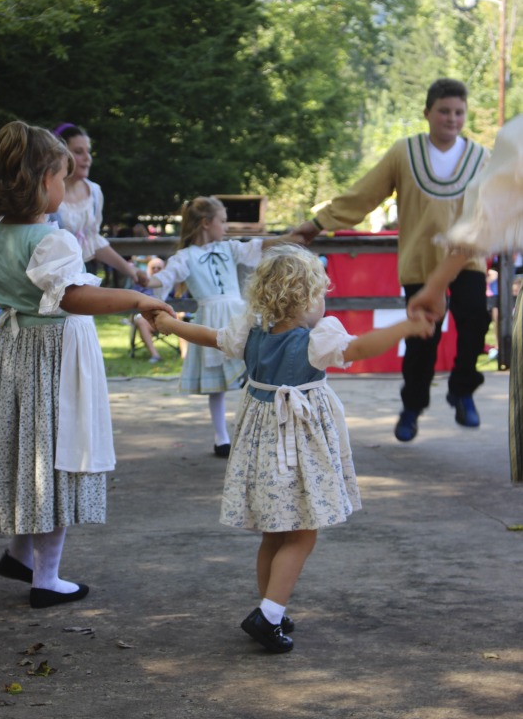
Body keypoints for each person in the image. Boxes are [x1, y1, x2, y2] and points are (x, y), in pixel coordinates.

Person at [152, 245, 434, 652]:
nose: (324, 302)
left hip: (262, 446)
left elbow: (209, 337)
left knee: (274, 534)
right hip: (298, 444)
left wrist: (168, 323)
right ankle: (268, 616)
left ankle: (271, 607)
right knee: (302, 535)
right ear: (303, 299)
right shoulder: (317, 339)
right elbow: (361, 348)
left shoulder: (250, 330)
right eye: (319, 294)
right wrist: (406, 328)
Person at [0, 121, 172, 609]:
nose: (63, 188)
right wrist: (135, 297)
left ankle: (17, 554)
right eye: (58, 177)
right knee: (58, 455)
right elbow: (74, 297)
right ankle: (46, 580)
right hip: (55, 359)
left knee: (31, 453)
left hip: (14, 354)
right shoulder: (51, 240)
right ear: (40, 180)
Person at [294, 78, 491, 443]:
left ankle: (462, 389)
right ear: (427, 113)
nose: (452, 119)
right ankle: (412, 408)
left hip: (467, 261)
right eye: (444, 111)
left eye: (459, 112)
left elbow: (502, 204)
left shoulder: (481, 158)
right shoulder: (405, 152)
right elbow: (364, 193)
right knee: (421, 338)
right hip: (420, 262)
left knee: (476, 318)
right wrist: (318, 223)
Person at [407, 113, 523, 481]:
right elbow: (488, 217)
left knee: (473, 318)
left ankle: (461, 390)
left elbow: (487, 216)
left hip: (454, 267)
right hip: (429, 260)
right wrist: (436, 285)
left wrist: (436, 285)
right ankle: (426, 402)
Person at [146, 196, 302, 458]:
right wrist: (143, 280)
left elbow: (260, 246)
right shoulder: (185, 257)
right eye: (223, 221)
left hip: (240, 315)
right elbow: (163, 279)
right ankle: (222, 438)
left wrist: (292, 236)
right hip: (210, 317)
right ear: (207, 223)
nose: (226, 227)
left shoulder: (229, 248)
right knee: (218, 384)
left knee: (254, 369)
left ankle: (257, 429)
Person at [52, 123, 147, 286]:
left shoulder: (94, 192)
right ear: (60, 155)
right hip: (51, 278)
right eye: (78, 152)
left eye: (88, 151)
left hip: (82, 276)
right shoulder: (46, 192)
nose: (87, 158)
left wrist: (131, 270)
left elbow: (93, 241)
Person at [132, 257, 167, 363]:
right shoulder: (140, 284)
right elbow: (132, 300)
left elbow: (180, 299)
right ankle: (155, 355)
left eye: (159, 268)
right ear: (148, 269)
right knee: (140, 320)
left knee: (181, 317)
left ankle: (185, 355)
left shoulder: (171, 282)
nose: (156, 270)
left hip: (169, 316)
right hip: (147, 317)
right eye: (153, 268)